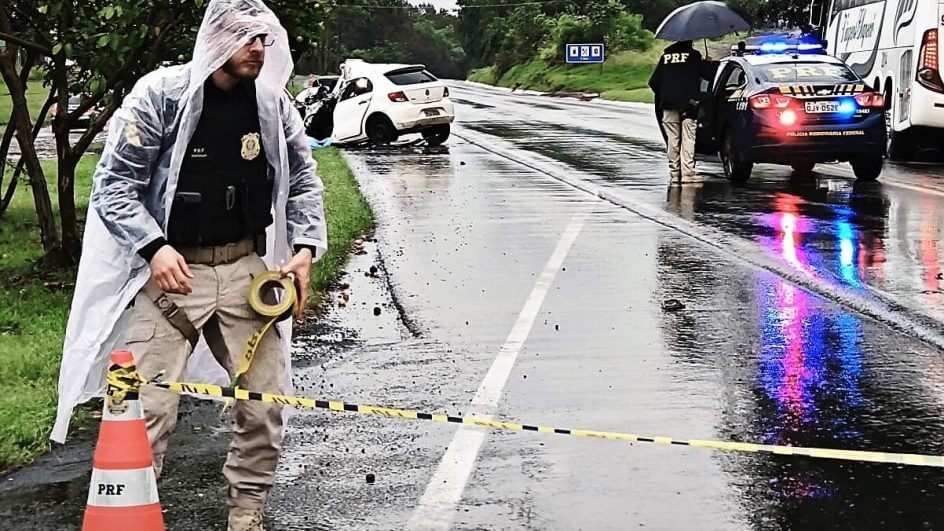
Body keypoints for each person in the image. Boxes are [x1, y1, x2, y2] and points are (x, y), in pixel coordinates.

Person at [52, 1, 327, 530]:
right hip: (174, 273)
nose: (257, 49)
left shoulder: (272, 105)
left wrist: (305, 247)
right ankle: (132, 515)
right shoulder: (162, 96)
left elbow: (304, 179)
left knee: (265, 405)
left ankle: (247, 513)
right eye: (245, 37)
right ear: (216, 36)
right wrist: (154, 248)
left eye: (263, 39)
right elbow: (113, 186)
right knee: (145, 408)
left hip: (246, 270)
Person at [648, 40, 717, 181]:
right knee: (688, 138)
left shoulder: (666, 57)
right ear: (689, 43)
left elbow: (653, 82)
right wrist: (708, 63)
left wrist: (665, 95)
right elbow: (709, 75)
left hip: (668, 105)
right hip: (689, 104)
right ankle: (687, 173)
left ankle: (674, 173)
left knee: (672, 139)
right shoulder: (693, 55)